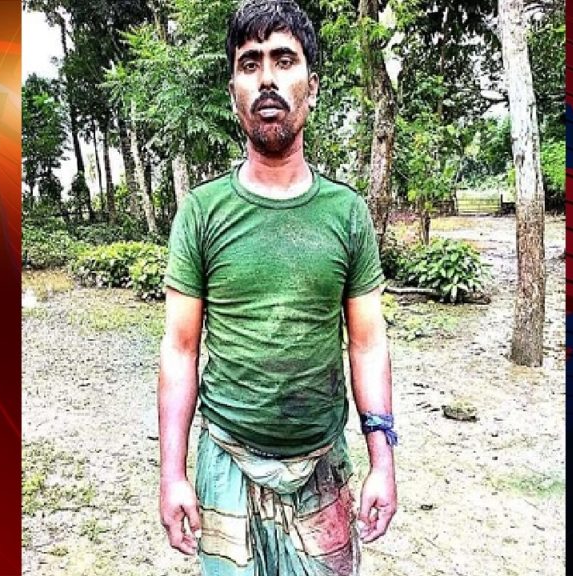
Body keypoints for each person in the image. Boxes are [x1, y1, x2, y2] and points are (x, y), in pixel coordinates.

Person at [157, 0, 395, 573]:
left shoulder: (346, 213)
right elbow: (180, 349)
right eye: (250, 63)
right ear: (233, 92)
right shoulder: (202, 212)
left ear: (312, 87)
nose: (267, 78)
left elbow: (367, 345)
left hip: (322, 467)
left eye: (284, 60)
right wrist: (172, 474)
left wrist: (382, 461)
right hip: (225, 463)